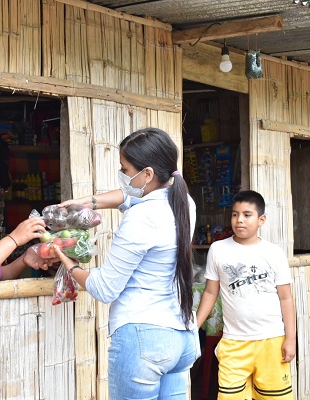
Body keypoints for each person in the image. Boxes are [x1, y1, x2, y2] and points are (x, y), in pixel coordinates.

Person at [53, 127, 199, 399]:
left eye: (125, 169)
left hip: (143, 338)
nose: (122, 175)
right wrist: (89, 202)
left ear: (147, 174)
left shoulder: (142, 217)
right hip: (181, 337)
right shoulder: (184, 203)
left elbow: (105, 289)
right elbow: (130, 198)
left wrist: (66, 258)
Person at [196, 190, 296, 400]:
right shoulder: (218, 249)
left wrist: (291, 338)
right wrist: (194, 326)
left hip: (271, 341)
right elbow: (210, 292)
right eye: (234, 214)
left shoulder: (274, 253)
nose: (239, 220)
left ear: (261, 220)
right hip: (234, 343)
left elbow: (286, 298)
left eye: (247, 214)